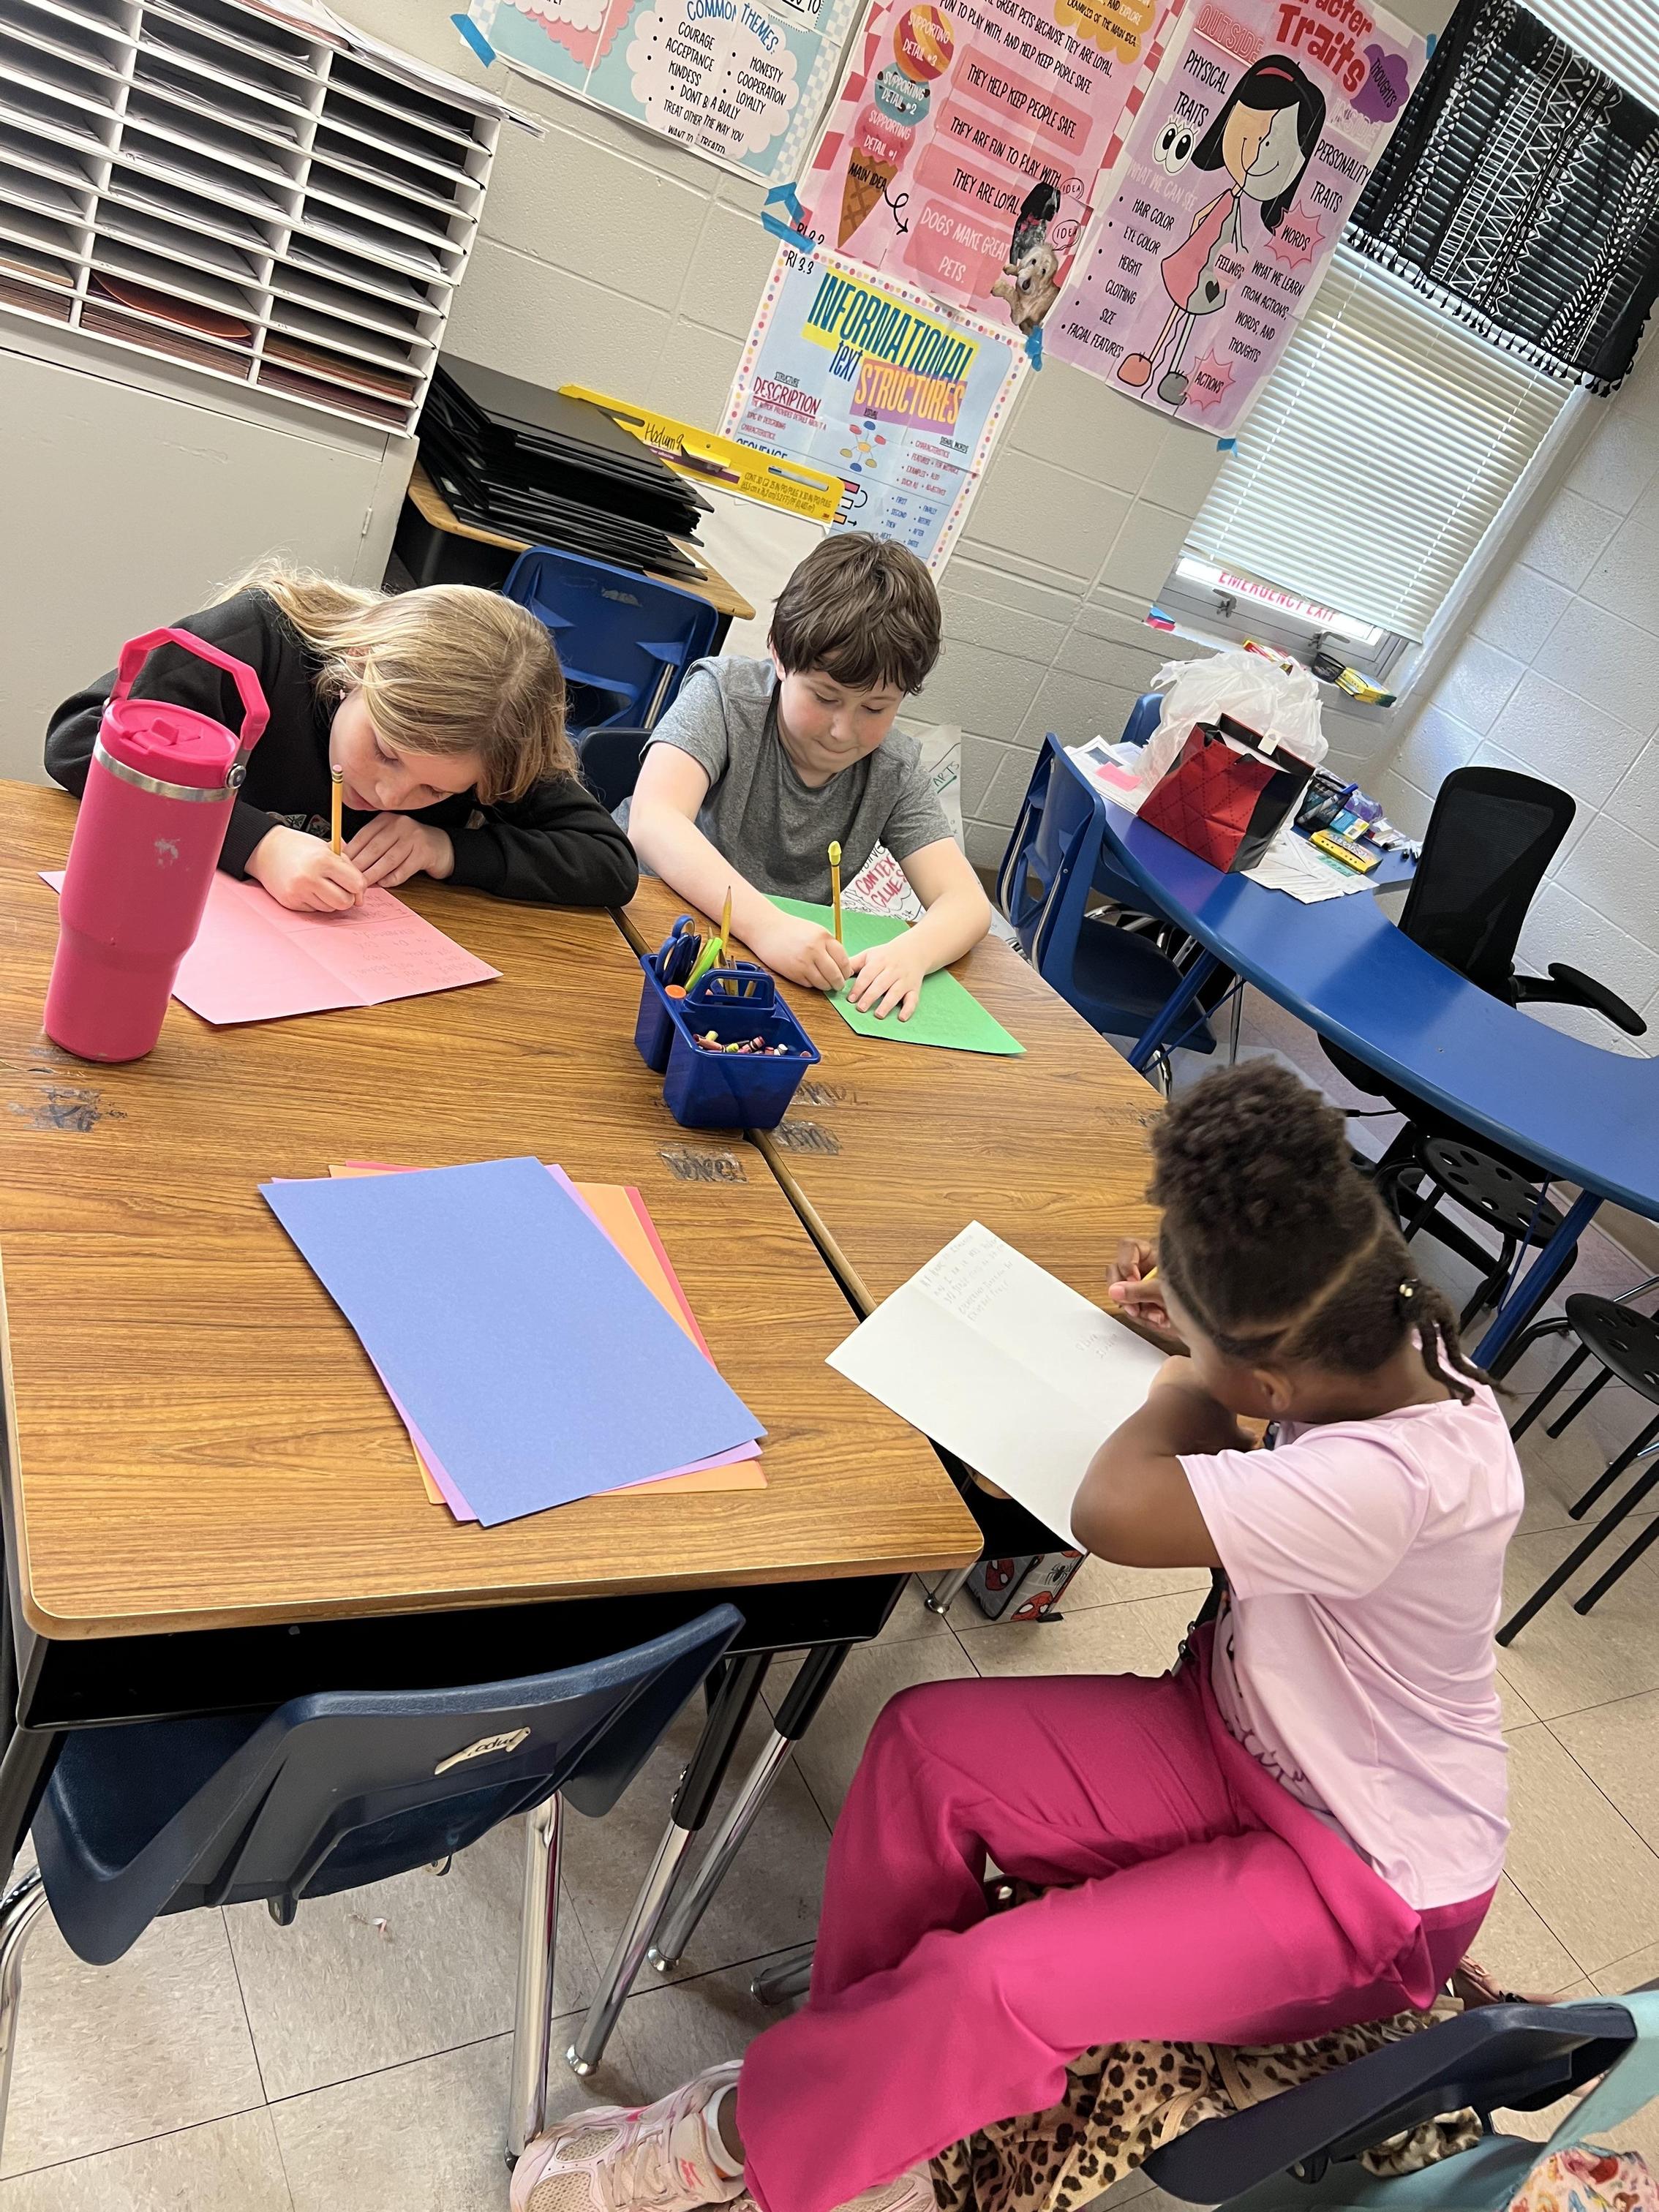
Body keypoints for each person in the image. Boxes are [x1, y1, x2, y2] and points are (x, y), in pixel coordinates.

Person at [511, 1061, 1524, 2212]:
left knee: (997, 1984)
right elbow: (1257, 1429)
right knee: (924, 1749)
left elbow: (1115, 1510)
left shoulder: (1400, 1481)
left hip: (1365, 1883)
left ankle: (752, 2142)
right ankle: (865, 2086)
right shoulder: (1389, 1340)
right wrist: (1219, 1349)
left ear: (1271, 1371)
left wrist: (1189, 1377)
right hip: (1242, 1734)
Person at [45, 564, 638, 910]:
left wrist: (446, 848)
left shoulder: (494, 730)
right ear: (358, 664)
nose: (388, 795)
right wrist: (257, 844)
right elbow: (78, 739)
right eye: (385, 752)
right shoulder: (257, 640)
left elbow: (609, 862)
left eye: (435, 791)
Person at [625, 535, 989, 1022]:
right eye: (825, 697)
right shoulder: (725, 697)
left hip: (764, 970)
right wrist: (769, 928)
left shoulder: (894, 768)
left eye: (876, 708)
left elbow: (967, 903)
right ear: (779, 655)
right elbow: (654, 821)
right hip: (650, 930)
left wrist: (913, 953)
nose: (843, 730)